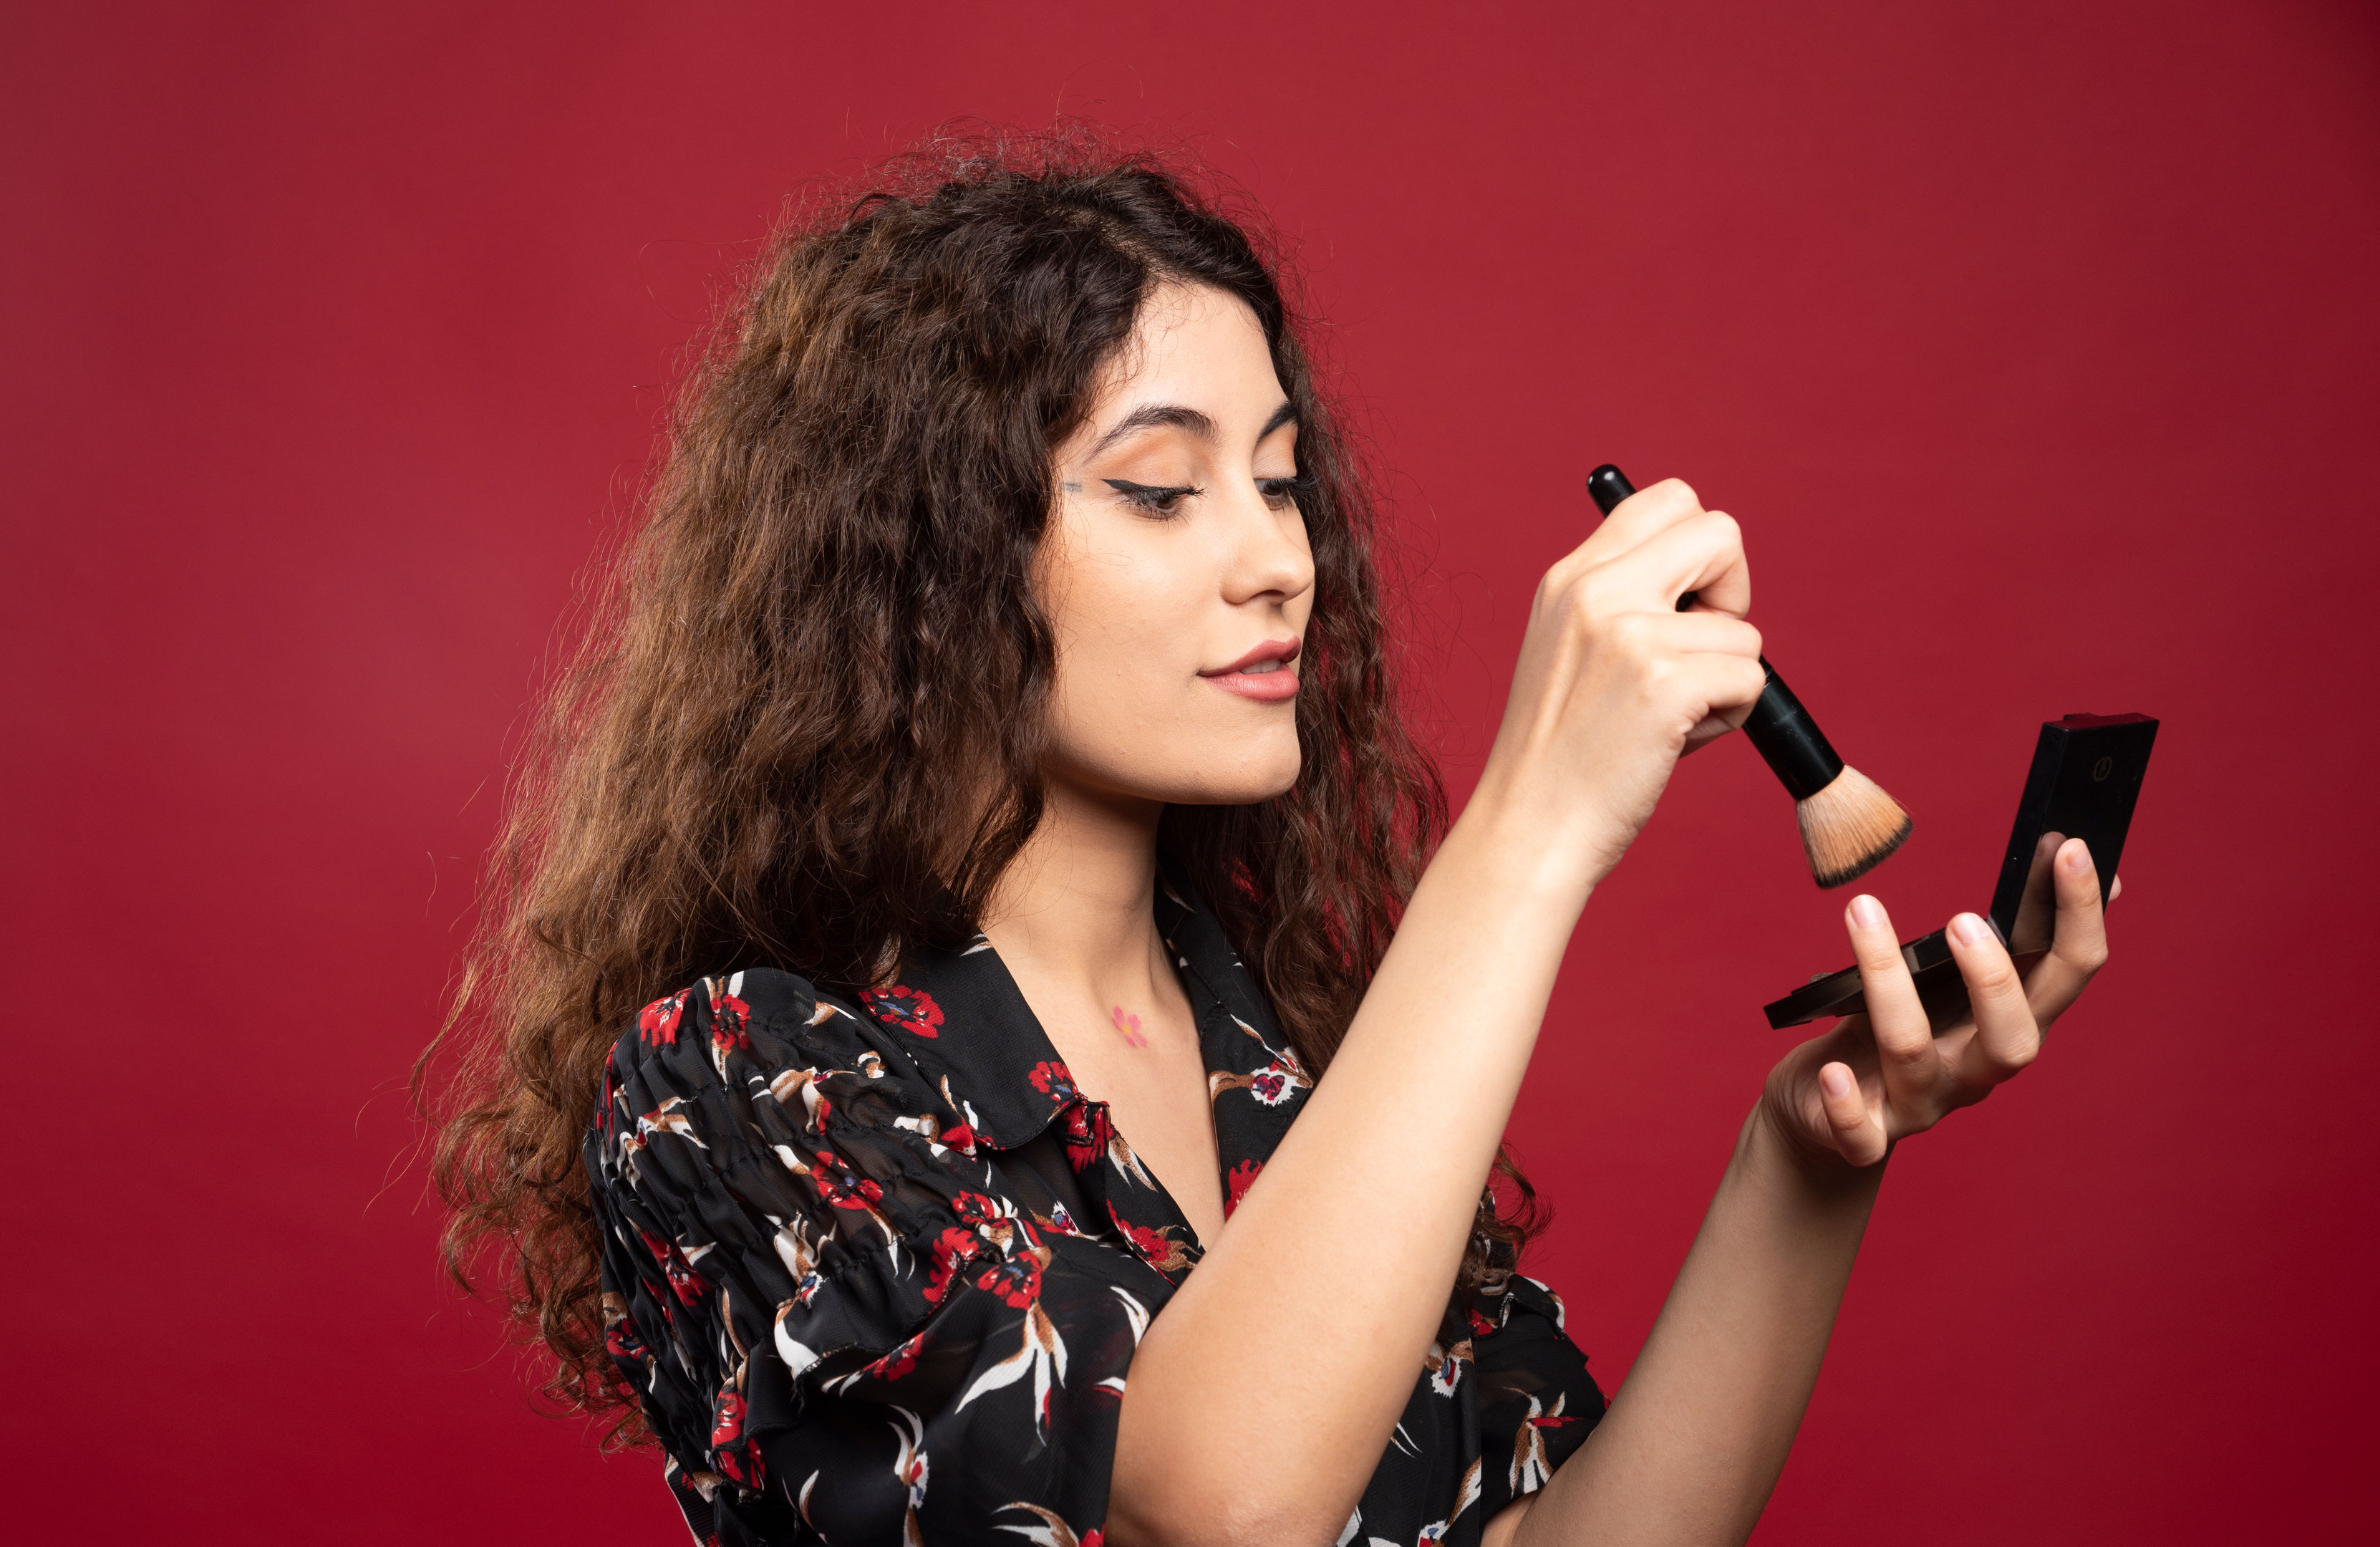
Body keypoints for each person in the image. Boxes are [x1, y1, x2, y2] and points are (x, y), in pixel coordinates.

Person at [425, 134, 2114, 1547]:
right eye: (1164, 492)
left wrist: (1806, 1162)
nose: (1278, 563)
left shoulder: (1283, 1048)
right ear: (924, 560)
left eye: (1285, 482)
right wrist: (1529, 828)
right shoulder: (743, 1083)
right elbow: (1213, 1506)